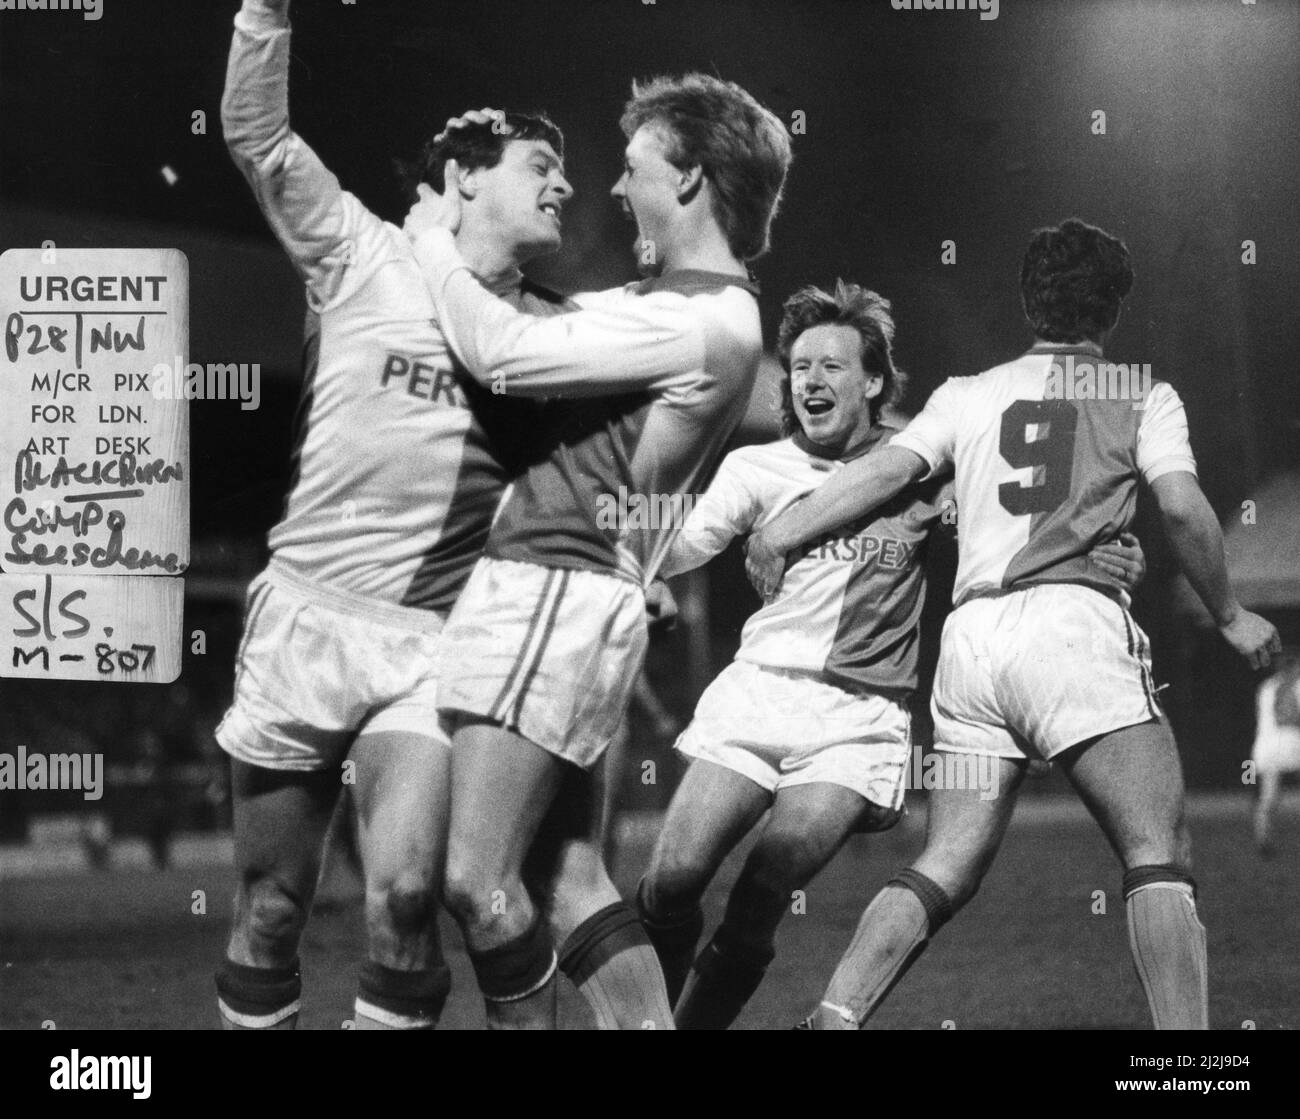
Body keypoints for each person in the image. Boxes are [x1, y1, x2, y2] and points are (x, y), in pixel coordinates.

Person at [745, 218, 1281, 1030]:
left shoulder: (968, 391)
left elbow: (884, 471)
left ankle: (836, 1013)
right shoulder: (1140, 392)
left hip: (971, 646)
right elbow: (1180, 504)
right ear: (1112, 309)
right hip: (1071, 633)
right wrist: (1231, 613)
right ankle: (1190, 1069)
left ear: (1029, 302)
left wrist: (780, 531)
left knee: (947, 860)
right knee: (1157, 849)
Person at [636, 281, 1145, 1029]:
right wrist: (634, 561)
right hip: (756, 692)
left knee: (768, 879)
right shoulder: (758, 470)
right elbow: (688, 541)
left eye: (832, 366)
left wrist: (1107, 552)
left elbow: (1029, 522)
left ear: (873, 381)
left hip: (857, 718)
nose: (810, 380)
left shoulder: (924, 467)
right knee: (673, 876)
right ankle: (638, 1014)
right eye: (799, 365)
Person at [402, 73, 792, 1028]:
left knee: (473, 876)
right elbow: (532, 320)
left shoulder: (698, 317)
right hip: (571, 591)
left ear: (692, 178)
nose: (613, 190)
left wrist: (424, 237)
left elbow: (501, 351)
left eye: (632, 168)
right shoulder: (677, 300)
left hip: (554, 586)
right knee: (569, 877)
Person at [216, 0, 577, 1029]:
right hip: (303, 621)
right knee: (270, 910)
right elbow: (257, 137)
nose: (562, 184)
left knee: (407, 899)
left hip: (428, 644)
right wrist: (264, 12)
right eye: (537, 164)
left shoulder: (554, 333)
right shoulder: (359, 251)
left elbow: (705, 365)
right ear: (462, 178)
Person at [1252, 650, 1300, 856]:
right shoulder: (1297, 685)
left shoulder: (1265, 687)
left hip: (1263, 747)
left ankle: (1263, 840)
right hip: (1291, 743)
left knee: (1267, 797)